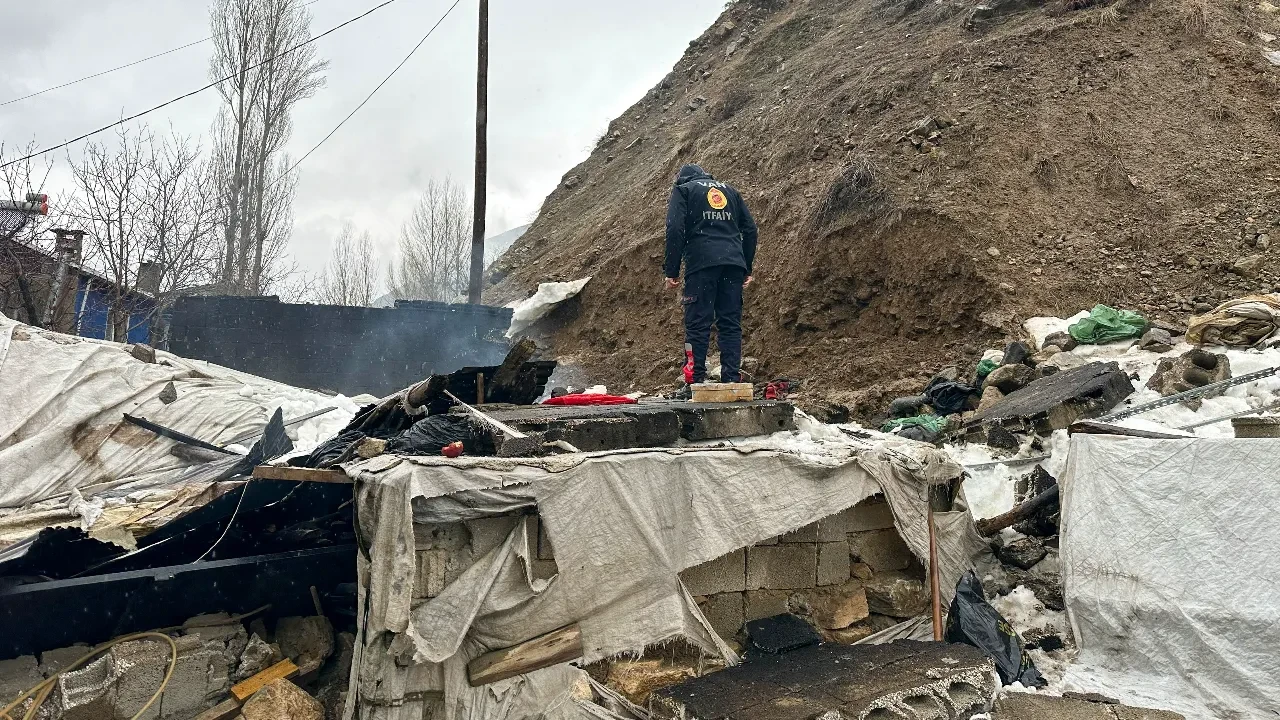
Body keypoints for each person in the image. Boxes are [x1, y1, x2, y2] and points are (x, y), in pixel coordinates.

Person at [663, 163, 758, 386]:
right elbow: (751, 229)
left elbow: (674, 228)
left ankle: (694, 382)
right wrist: (747, 266)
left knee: (697, 324)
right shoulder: (730, 191)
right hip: (734, 264)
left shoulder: (684, 190)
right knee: (730, 323)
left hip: (702, 264)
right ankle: (731, 381)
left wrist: (672, 270)